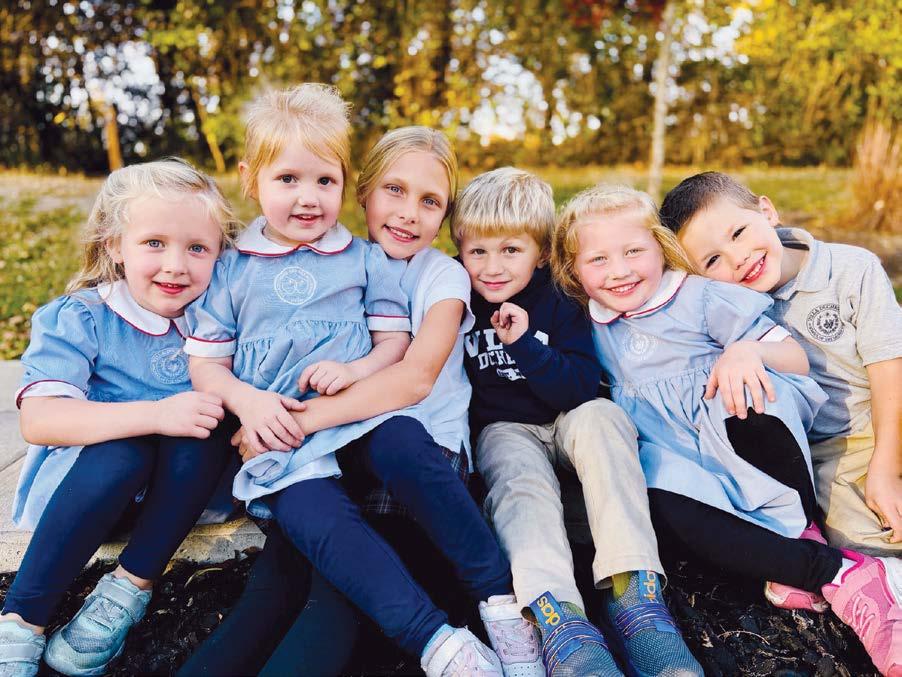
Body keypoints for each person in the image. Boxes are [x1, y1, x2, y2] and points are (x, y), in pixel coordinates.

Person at [184, 87, 505, 675]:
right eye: (288, 179)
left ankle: (474, 622)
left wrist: (312, 405)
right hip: (299, 455)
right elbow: (208, 363)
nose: (307, 197)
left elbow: (406, 368)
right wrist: (251, 406)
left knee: (334, 600)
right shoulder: (237, 268)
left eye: (430, 201)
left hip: (380, 448)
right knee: (276, 589)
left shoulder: (391, 267)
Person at [550, 183, 902, 677]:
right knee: (660, 496)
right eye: (598, 260)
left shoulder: (700, 295)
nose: (619, 270)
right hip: (679, 458)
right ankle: (828, 569)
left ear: (661, 249)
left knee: (749, 394)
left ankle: (807, 542)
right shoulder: (590, 323)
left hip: (741, 432)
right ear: (574, 271)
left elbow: (795, 357)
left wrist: (744, 351)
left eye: (633, 251)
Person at [454, 168, 702, 677]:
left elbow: (580, 387)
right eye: (477, 251)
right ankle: (561, 619)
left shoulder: (560, 300)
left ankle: (635, 597)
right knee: (515, 476)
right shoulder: (456, 300)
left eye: (511, 250)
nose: (492, 267)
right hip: (505, 429)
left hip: (569, 415)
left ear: (542, 253)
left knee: (603, 417)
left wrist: (524, 346)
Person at [0, 158, 239, 677]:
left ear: (221, 253)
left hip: (183, 499)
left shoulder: (223, 321)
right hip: (87, 496)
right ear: (115, 246)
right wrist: (155, 414)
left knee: (206, 417)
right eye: (154, 243)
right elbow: (40, 420)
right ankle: (21, 620)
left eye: (197, 248)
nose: (176, 265)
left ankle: (127, 590)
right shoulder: (83, 316)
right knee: (125, 448)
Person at [660, 171, 902, 558]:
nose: (738, 258)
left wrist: (886, 468)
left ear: (767, 211)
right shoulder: (722, 314)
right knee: (863, 541)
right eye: (712, 260)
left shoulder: (851, 268)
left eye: (738, 233)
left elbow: (890, 370)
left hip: (889, 415)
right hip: (832, 452)